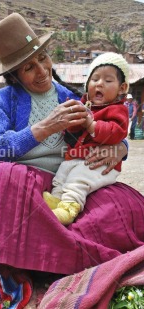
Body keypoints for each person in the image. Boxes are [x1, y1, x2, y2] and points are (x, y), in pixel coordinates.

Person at [0, 13, 144, 288]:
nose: (42, 70)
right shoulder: (3, 101)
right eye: (28, 67)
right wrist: (43, 128)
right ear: (14, 75)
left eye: (43, 57)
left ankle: (40, 256)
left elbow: (106, 126)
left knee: (125, 203)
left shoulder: (72, 97)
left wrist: (121, 148)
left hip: (64, 183)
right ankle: (57, 256)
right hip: (22, 187)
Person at [43, 52, 129, 225]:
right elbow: (72, 134)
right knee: (61, 176)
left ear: (122, 88)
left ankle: (69, 208)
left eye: (108, 80)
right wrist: (73, 121)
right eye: (94, 79)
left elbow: (116, 132)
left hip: (99, 164)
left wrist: (92, 125)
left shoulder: (117, 110)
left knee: (78, 180)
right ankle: (57, 199)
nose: (99, 84)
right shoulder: (85, 105)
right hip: (76, 157)